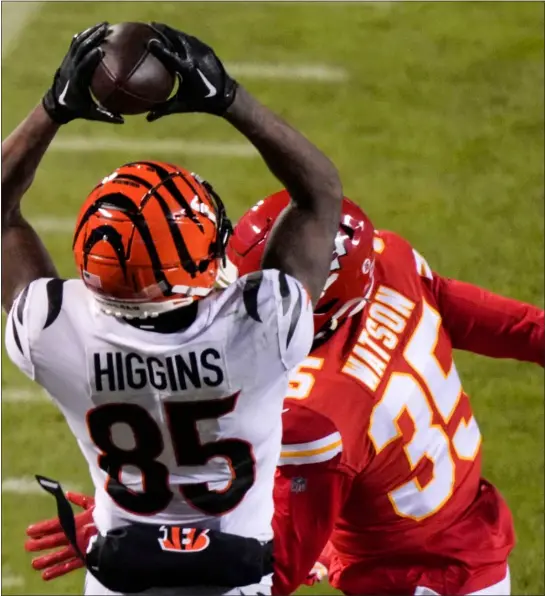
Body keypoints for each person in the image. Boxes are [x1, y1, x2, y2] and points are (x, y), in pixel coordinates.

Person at [25, 191, 544, 595]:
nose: (232, 296)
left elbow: (275, 570)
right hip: (465, 526)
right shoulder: (389, 262)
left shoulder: (316, 408)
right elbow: (515, 327)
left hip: (417, 579)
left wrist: (146, 529)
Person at [3, 20, 344, 596]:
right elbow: (320, 193)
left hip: (120, 580)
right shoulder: (263, 326)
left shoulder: (51, 331)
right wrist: (228, 97)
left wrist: (53, 107)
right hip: (235, 581)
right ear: (200, 267)